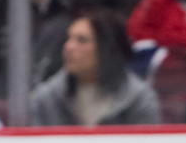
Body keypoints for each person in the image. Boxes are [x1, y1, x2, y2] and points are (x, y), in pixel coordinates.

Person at [30, 8, 161, 126]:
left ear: (107, 48)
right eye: (68, 38)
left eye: (81, 40)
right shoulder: (45, 99)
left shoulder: (139, 99)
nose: (68, 47)